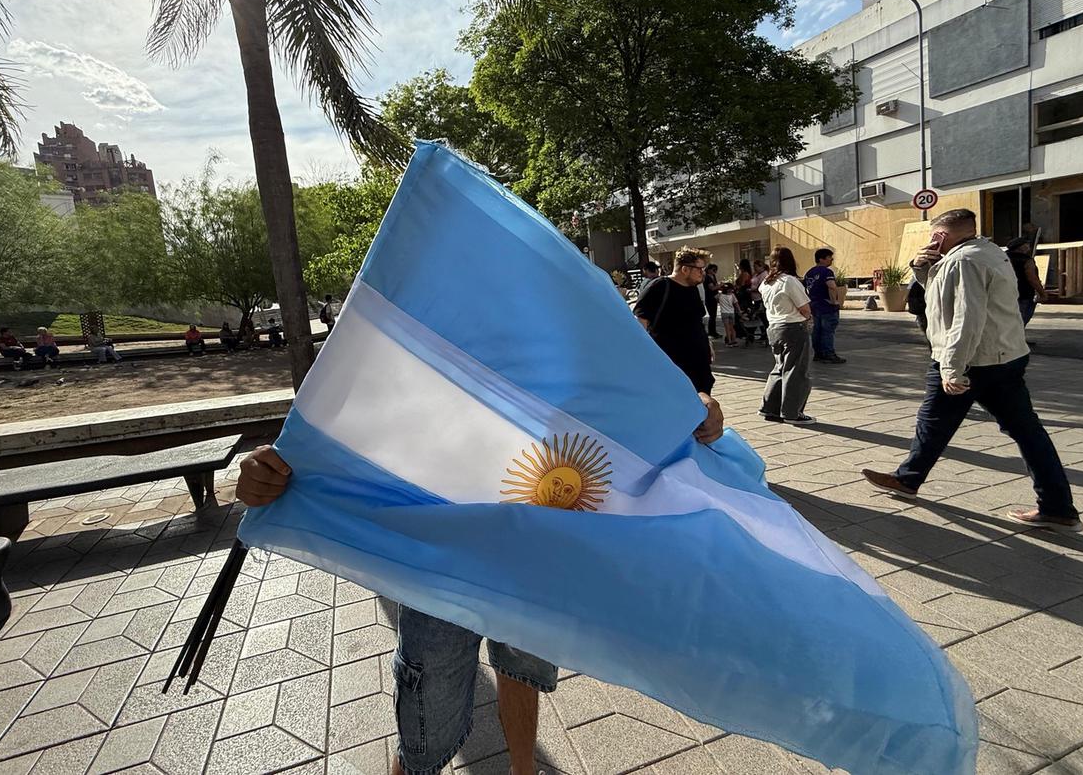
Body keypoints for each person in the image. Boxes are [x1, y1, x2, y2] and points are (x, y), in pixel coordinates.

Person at [234, 399, 724, 775]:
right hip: (439, 558)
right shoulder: (416, 294)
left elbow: (632, 381)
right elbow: (349, 408)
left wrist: (695, 406)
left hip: (533, 547)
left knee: (521, 667)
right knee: (427, 704)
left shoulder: (556, 298)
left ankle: (522, 767)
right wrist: (275, 470)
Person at [862, 208, 1082, 531]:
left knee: (933, 422)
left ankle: (908, 480)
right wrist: (922, 269)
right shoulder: (987, 252)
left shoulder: (963, 261)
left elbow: (967, 317)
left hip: (973, 360)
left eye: (934, 236)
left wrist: (951, 368)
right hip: (1003, 356)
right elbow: (946, 297)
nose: (930, 241)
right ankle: (1058, 506)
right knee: (1026, 431)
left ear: (941, 235)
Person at [633, 246, 715, 395]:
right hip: (672, 365)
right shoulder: (659, 287)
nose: (702, 273)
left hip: (698, 365)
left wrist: (707, 344)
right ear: (685, 269)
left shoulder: (693, 289)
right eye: (699, 269)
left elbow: (697, 321)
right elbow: (640, 324)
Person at [757, 247, 814, 425]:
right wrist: (809, 318)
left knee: (779, 368)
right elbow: (804, 307)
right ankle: (791, 412)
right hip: (793, 327)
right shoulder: (789, 281)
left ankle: (769, 408)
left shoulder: (766, 283)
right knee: (796, 370)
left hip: (774, 327)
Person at [804, 248, 845, 364]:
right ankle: (829, 353)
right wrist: (834, 301)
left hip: (814, 306)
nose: (831, 260)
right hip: (826, 306)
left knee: (817, 330)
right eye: (829, 257)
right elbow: (831, 286)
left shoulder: (809, 273)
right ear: (821, 259)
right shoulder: (827, 272)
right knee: (828, 331)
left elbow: (806, 289)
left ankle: (818, 353)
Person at [1006, 237, 1047, 325]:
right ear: (1021, 247)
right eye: (1027, 245)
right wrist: (1042, 293)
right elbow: (1032, 278)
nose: (1029, 248)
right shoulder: (1026, 260)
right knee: (1019, 323)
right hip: (1023, 295)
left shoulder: (1002, 258)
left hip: (1006, 294)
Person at [717, 282, 740, 347]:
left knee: (727, 328)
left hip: (724, 313)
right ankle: (734, 340)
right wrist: (739, 311)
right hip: (731, 312)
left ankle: (729, 341)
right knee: (732, 327)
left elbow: (716, 298)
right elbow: (736, 304)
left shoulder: (720, 295)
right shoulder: (732, 295)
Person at [703, 264, 721, 338]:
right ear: (709, 269)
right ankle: (712, 332)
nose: (715, 272)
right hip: (709, 298)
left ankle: (713, 331)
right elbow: (712, 288)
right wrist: (720, 285)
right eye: (714, 270)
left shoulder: (713, 276)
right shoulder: (707, 277)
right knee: (712, 315)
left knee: (714, 315)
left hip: (714, 297)